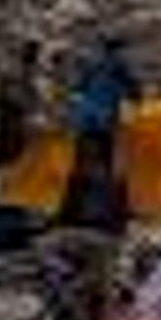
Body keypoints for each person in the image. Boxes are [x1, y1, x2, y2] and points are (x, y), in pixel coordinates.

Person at [58, 33, 140, 233]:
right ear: (117, 49)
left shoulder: (92, 65)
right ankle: (98, 215)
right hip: (103, 124)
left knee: (81, 166)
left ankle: (73, 212)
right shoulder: (119, 67)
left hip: (84, 122)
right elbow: (135, 93)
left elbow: (77, 91)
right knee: (103, 167)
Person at [0, 39, 40, 204]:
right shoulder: (16, 72)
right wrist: (28, 107)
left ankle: (2, 191)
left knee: (11, 155)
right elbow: (12, 95)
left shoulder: (24, 71)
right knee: (4, 154)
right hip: (8, 119)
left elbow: (28, 95)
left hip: (13, 119)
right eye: (32, 54)